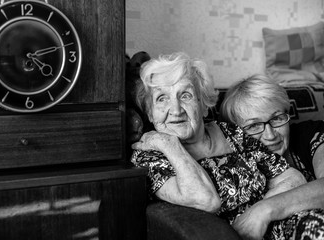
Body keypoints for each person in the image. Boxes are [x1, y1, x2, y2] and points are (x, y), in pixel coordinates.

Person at [130, 52, 324, 240]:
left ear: (204, 105)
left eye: (186, 96)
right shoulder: (150, 155)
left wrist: (258, 214)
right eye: (161, 98)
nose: (176, 109)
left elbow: (293, 178)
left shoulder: (232, 132)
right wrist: (172, 146)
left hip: (286, 223)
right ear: (149, 113)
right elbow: (206, 201)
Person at [220, 74, 324, 239]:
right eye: (254, 125)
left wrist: (263, 210)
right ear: (235, 133)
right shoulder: (233, 168)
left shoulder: (311, 134)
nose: (270, 135)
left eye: (277, 118)